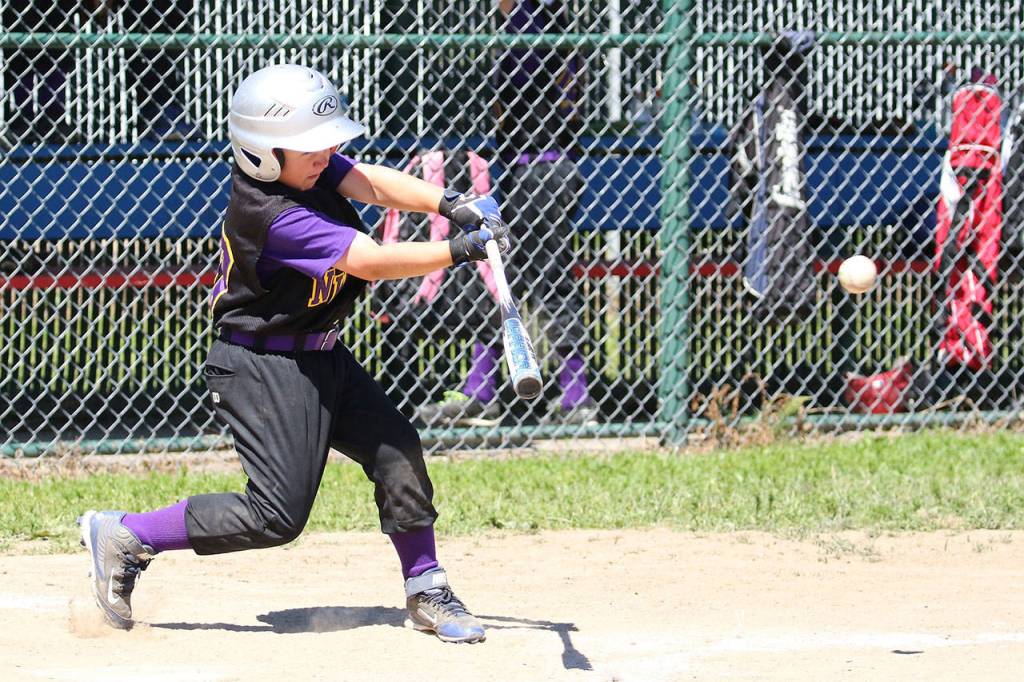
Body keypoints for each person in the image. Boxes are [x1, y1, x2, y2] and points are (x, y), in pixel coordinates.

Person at [77, 63, 510, 643]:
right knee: (276, 516)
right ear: (261, 152)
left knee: (397, 449)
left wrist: (450, 202)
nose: (324, 153)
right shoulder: (272, 214)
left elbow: (373, 183)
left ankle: (425, 585)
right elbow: (368, 261)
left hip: (321, 353)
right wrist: (457, 251)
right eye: (310, 146)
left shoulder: (304, 168)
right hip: (261, 366)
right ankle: (126, 534)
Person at [418, 0, 596, 427]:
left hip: (542, 168)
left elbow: (517, 88)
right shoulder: (542, 20)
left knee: (544, 279)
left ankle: (577, 397)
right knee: (501, 272)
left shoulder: (534, 18)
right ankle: (484, 390)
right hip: (531, 168)